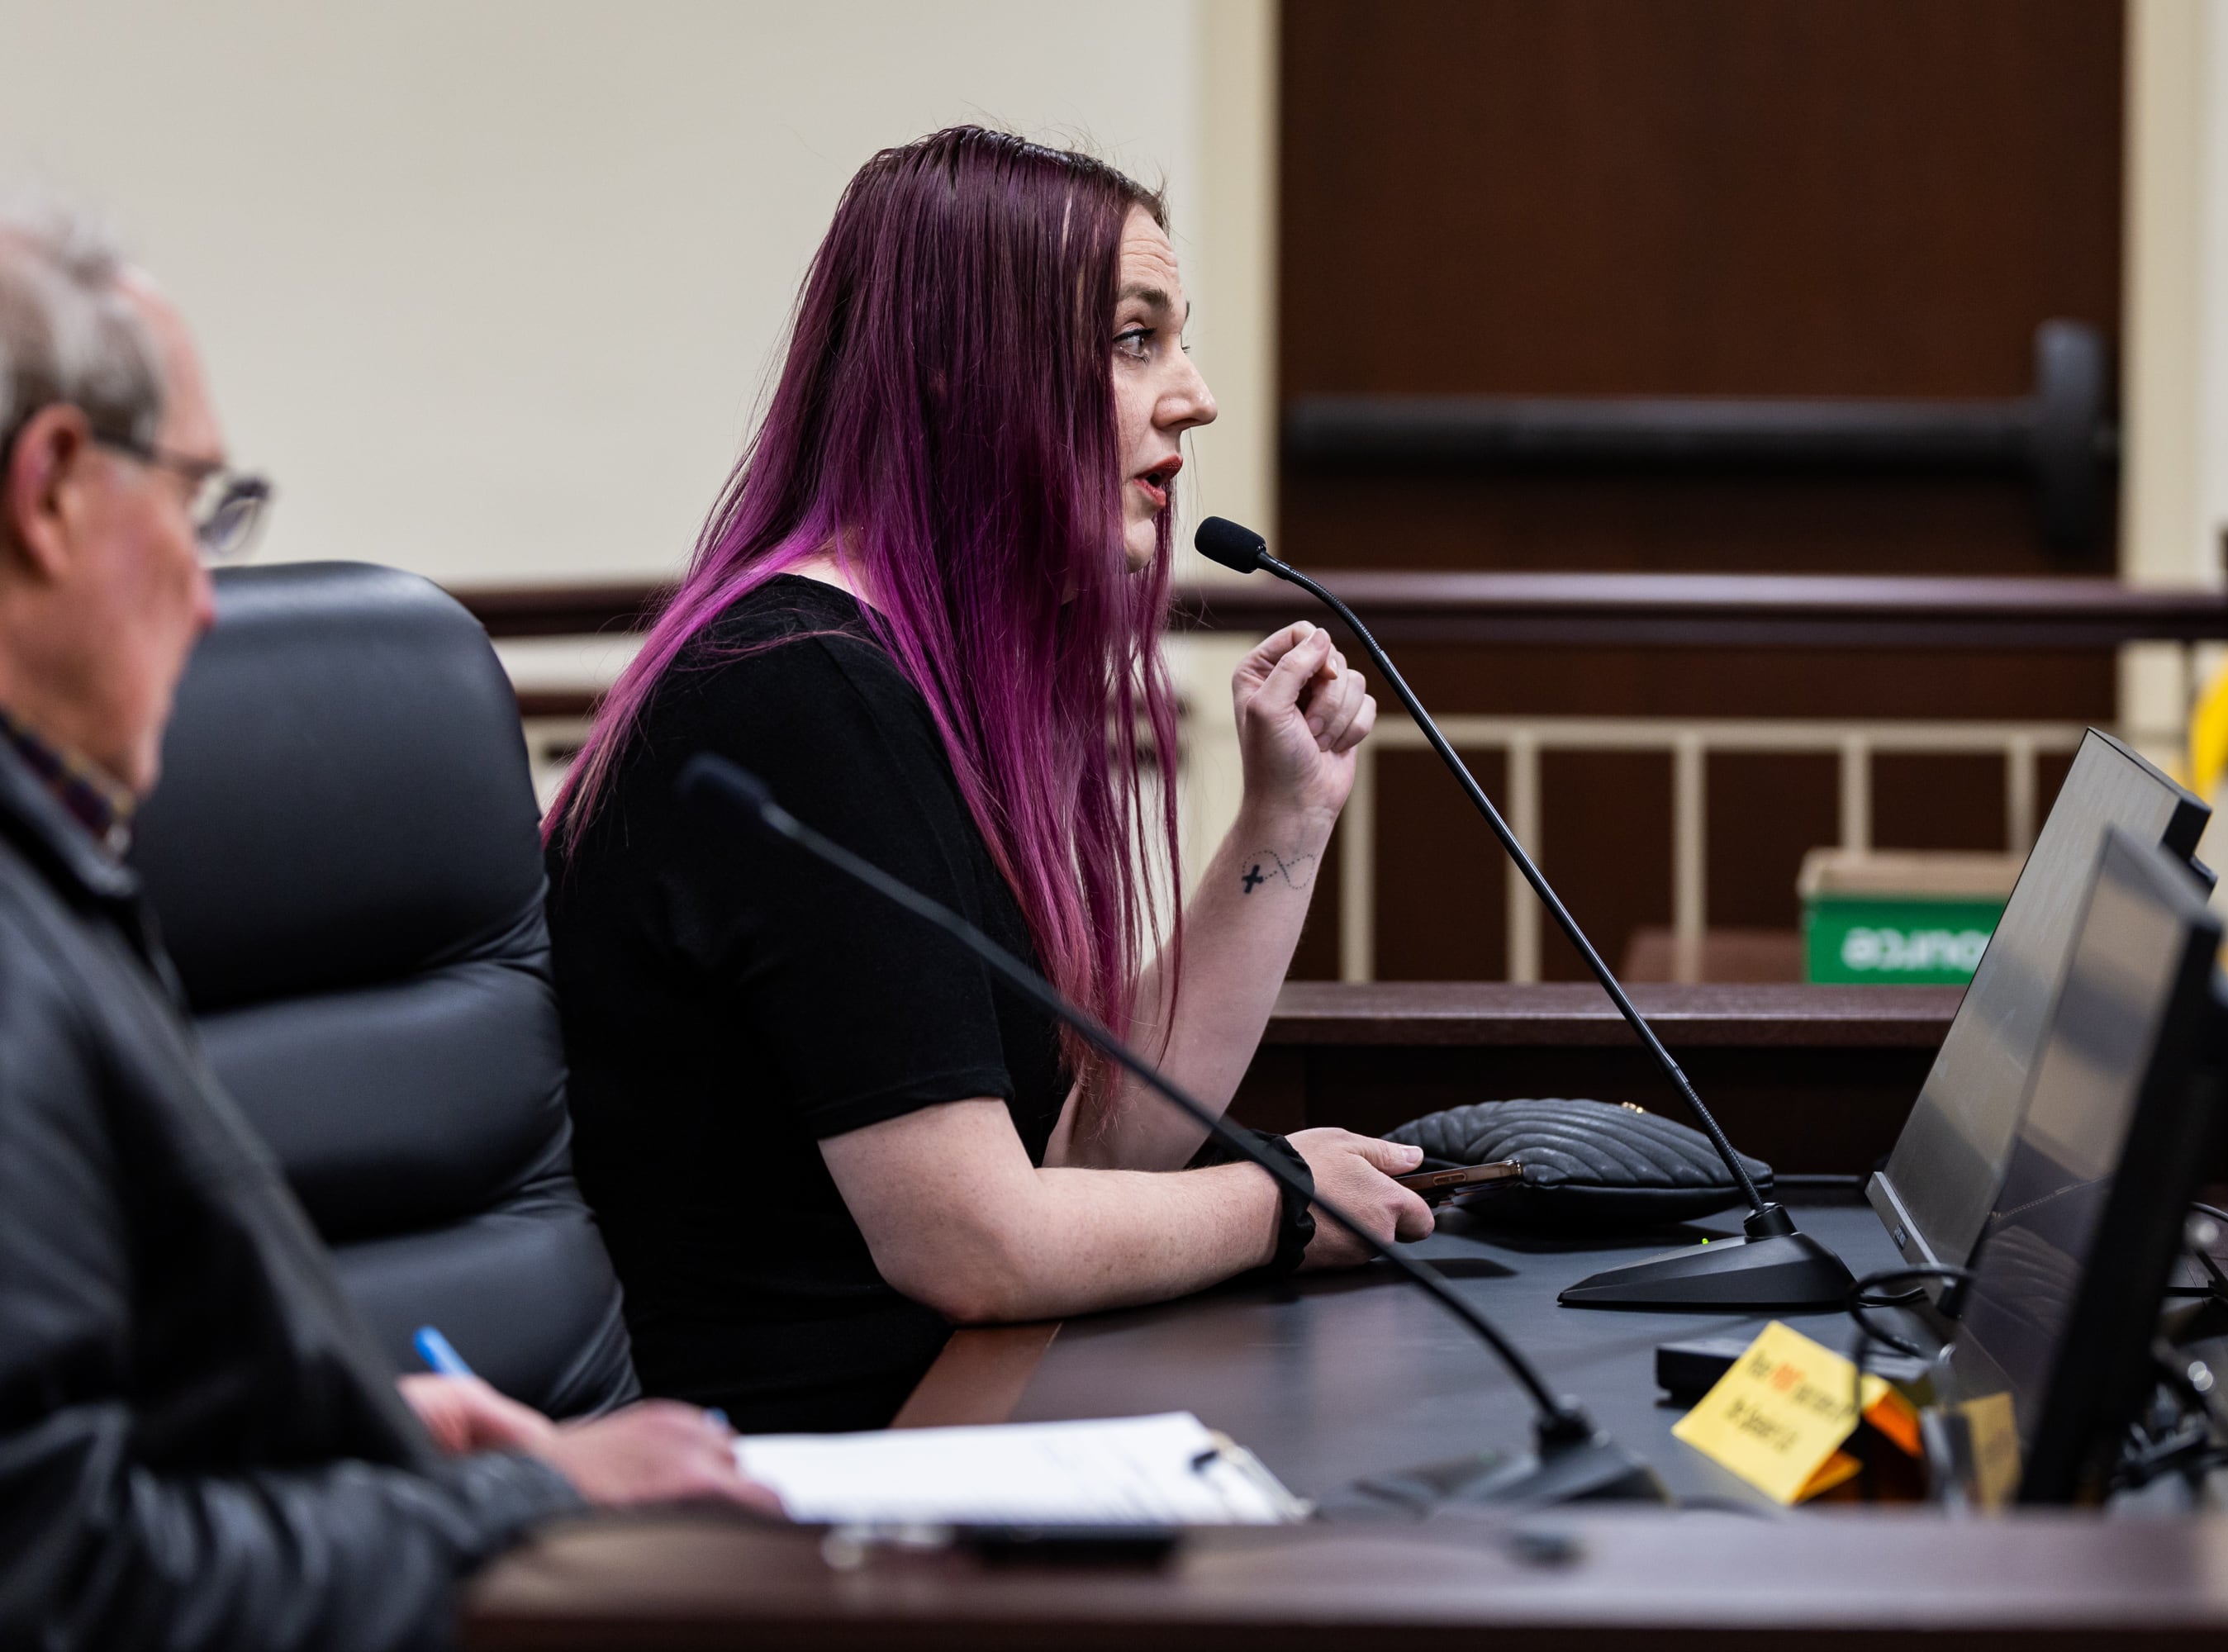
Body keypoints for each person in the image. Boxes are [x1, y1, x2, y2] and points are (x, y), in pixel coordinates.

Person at [541, 127, 1436, 1432]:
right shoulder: (795, 691)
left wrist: (1285, 823)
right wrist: (1282, 1200)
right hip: (799, 1494)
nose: (1194, 395)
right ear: (965, 375)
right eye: (1137, 340)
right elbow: (975, 1245)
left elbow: (1078, 1155)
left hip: (953, 1410)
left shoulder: (914, 676)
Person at [0, 197, 777, 1652]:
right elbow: (63, 1578)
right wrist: (522, 1506)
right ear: (48, 491)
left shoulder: (54, 867)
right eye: (194, 509)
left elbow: (105, 1402)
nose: (211, 601)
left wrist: (355, 1425)